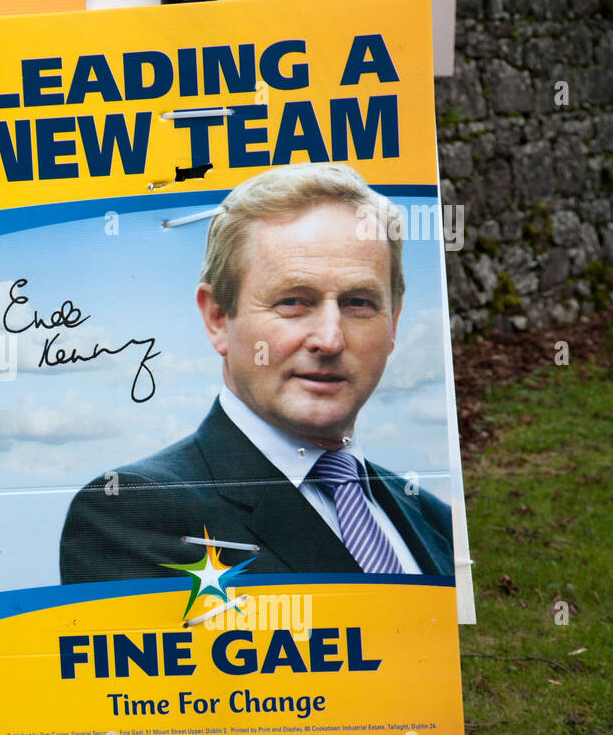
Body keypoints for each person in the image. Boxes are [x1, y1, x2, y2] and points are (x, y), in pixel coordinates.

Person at [59, 163, 454, 583]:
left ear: (393, 322)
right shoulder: (135, 514)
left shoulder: (434, 521)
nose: (330, 339)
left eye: (358, 302)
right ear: (217, 318)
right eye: (293, 301)